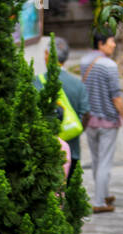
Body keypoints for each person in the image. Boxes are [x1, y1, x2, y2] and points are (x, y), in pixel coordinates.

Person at [81, 28, 123, 213]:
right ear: (101, 44)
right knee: (105, 163)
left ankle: (103, 193)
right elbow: (116, 97)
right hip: (108, 121)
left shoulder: (85, 61)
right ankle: (99, 202)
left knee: (96, 160)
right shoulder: (109, 66)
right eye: (111, 41)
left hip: (90, 121)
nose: (114, 44)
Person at [35, 35, 90, 183]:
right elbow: (86, 114)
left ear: (47, 56)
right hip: (72, 151)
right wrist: (72, 131)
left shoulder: (36, 83)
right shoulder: (78, 84)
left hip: (43, 151)